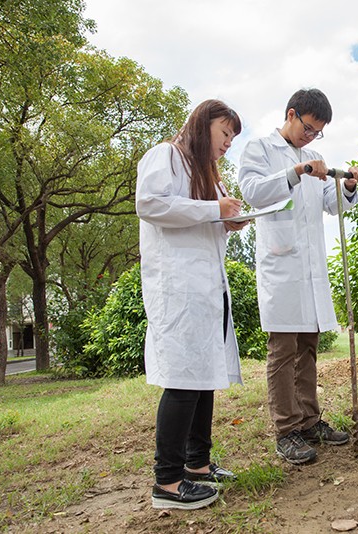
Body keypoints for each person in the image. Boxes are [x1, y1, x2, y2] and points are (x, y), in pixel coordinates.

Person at [237, 88, 358, 465]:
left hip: (310, 267)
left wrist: (347, 186)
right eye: (308, 128)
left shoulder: (315, 157)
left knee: (308, 345)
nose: (311, 137)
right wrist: (297, 171)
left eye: (318, 132)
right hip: (281, 266)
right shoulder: (259, 150)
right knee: (283, 350)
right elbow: (253, 192)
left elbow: (331, 204)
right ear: (291, 114)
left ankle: (310, 420)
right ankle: (286, 430)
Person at [136, 99, 246, 509]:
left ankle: (197, 465)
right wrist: (212, 209)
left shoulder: (207, 174)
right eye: (225, 133)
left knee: (204, 376)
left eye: (233, 137)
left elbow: (203, 225)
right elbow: (149, 204)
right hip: (178, 289)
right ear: (204, 124)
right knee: (183, 380)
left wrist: (228, 221)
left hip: (208, 288)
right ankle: (166, 483)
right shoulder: (165, 155)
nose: (228, 143)